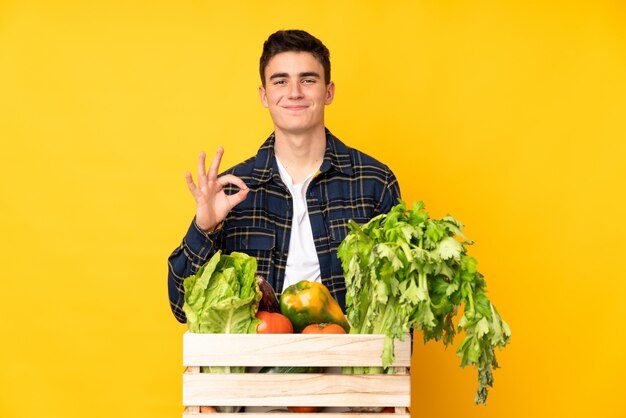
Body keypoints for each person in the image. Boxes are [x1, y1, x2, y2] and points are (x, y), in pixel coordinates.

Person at [168, 29, 401, 323]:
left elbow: (401, 307)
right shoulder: (231, 189)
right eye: (281, 81)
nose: (294, 92)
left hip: (348, 364)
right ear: (265, 95)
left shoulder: (374, 182)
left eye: (307, 79)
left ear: (328, 92)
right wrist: (205, 228)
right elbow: (182, 308)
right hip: (257, 365)